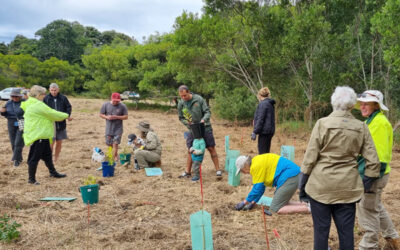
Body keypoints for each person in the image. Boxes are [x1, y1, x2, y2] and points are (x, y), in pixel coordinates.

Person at [299, 86, 381, 250]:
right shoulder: (361, 127)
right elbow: (374, 162)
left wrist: (302, 186)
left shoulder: (322, 124)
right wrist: (363, 185)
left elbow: (309, 159)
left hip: (320, 187)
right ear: (352, 105)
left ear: (333, 102)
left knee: (321, 233)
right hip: (347, 188)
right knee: (346, 234)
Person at [355, 90, 400, 250]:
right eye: (362, 103)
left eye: (366, 103)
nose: (362, 106)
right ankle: (393, 238)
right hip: (374, 172)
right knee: (375, 206)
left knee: (367, 211)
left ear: (376, 105)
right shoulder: (372, 121)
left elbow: (379, 156)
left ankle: (369, 246)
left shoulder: (379, 123)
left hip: (374, 173)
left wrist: (368, 179)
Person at [21, 85, 68, 185]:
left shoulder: (30, 103)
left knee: (47, 156)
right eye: (43, 94)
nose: (44, 96)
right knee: (34, 157)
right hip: (38, 134)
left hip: (42, 134)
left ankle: (53, 172)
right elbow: (51, 113)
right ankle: (31, 179)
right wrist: (66, 115)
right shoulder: (38, 105)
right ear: (38, 95)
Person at [234, 153, 310, 215]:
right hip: (293, 174)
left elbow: (257, 189)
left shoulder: (255, 167)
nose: (243, 173)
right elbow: (261, 188)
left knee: (275, 209)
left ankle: (309, 209)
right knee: (281, 202)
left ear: (245, 166)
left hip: (290, 176)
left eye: (242, 171)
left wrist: (244, 202)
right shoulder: (256, 161)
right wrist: (253, 202)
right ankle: (307, 205)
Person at [177, 85, 221, 178]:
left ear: (189, 92)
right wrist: (188, 123)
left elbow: (207, 112)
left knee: (211, 148)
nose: (183, 98)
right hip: (192, 129)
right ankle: (187, 172)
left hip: (205, 127)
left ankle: (218, 170)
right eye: (181, 96)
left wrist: (203, 120)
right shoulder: (181, 103)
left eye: (185, 95)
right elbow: (181, 117)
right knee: (190, 149)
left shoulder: (199, 99)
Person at [43, 83, 72, 162]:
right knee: (51, 142)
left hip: (61, 124)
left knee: (59, 142)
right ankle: (49, 158)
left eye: (55, 90)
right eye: (52, 90)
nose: (53, 92)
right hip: (50, 124)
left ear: (58, 89)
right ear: (49, 90)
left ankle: (56, 158)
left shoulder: (63, 98)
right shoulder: (46, 98)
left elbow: (68, 107)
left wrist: (67, 115)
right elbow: (43, 109)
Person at [99, 92, 128, 161]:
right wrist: (107, 117)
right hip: (109, 128)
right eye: (115, 101)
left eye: (118, 101)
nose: (116, 102)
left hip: (118, 128)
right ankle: (109, 154)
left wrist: (117, 117)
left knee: (116, 143)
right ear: (111, 99)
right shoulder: (105, 105)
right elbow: (101, 114)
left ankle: (115, 156)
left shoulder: (123, 106)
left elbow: (126, 117)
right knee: (109, 143)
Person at [0, 88, 25, 167]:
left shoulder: (25, 102)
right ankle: (19, 157)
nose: (14, 98)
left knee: (18, 142)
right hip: (11, 122)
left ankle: (16, 159)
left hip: (22, 122)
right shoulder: (8, 103)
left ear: (20, 96)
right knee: (13, 142)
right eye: (13, 96)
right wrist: (2, 111)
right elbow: (4, 114)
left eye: (16, 96)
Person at [252, 87, 275, 154]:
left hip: (264, 132)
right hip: (269, 132)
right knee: (266, 153)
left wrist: (255, 132)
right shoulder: (270, 104)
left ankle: (263, 164)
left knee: (262, 153)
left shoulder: (263, 104)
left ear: (260, 95)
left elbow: (261, 119)